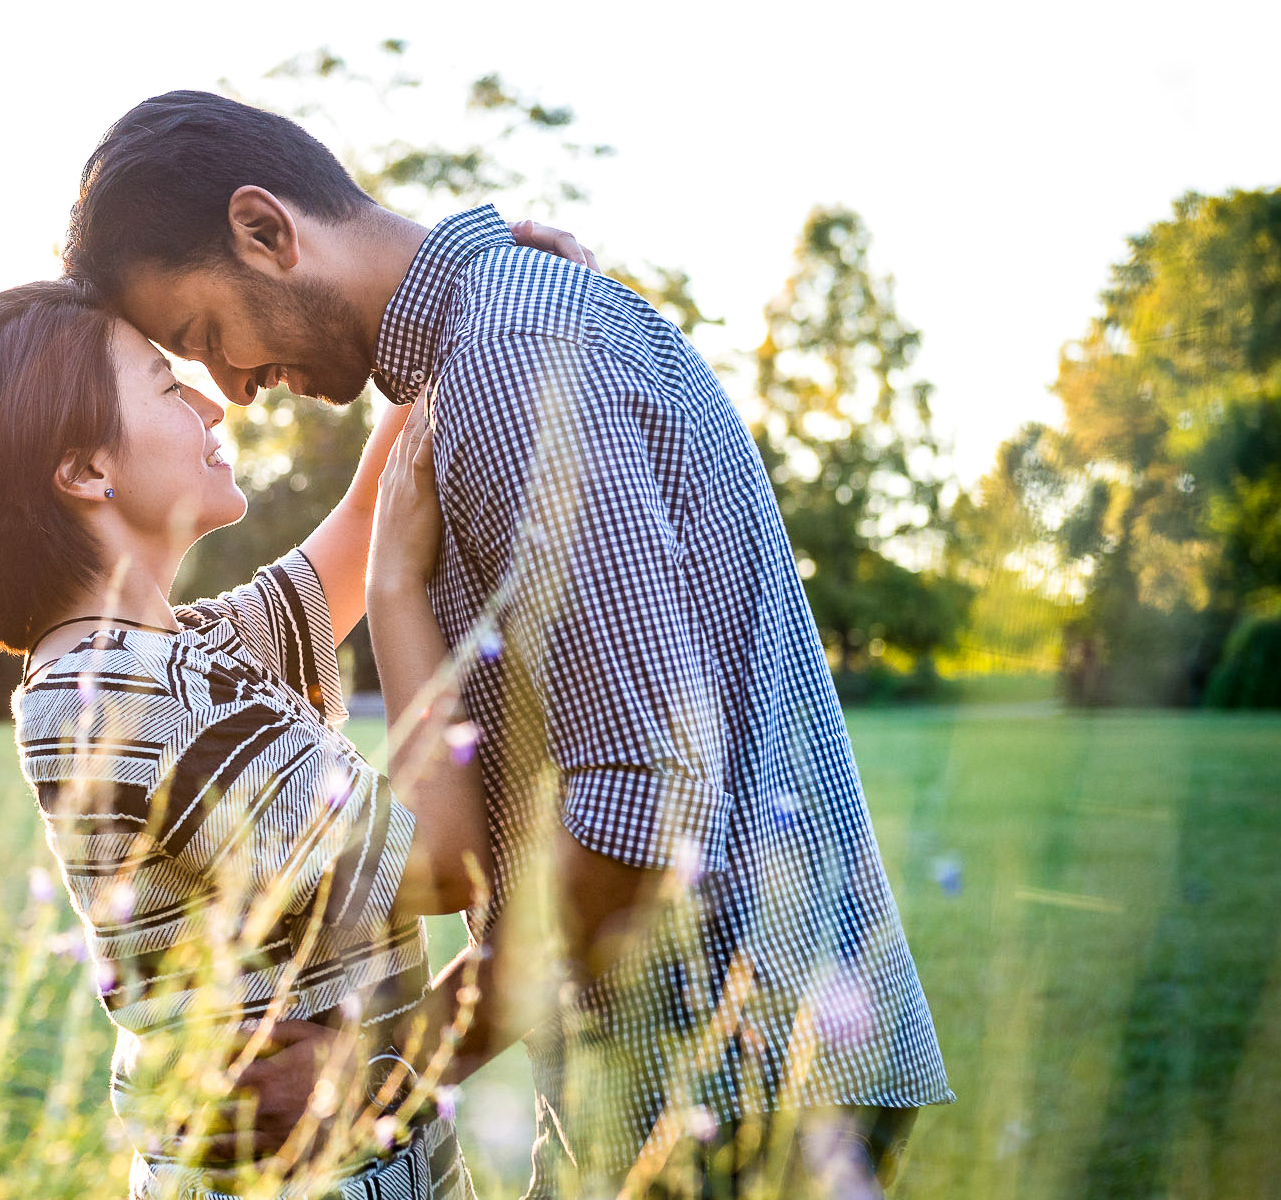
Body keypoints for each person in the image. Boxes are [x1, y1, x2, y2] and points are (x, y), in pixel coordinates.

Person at [58, 90, 954, 1197]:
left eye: (204, 338)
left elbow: (640, 804)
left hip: (726, 1076)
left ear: (264, 229)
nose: (231, 389)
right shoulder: (496, 341)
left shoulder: (507, 356)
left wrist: (379, 1071)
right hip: (704, 1066)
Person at [0, 256, 582, 1199]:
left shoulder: (175, 657)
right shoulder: (135, 700)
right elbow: (443, 861)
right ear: (87, 470)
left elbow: (365, 515)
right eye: (166, 387)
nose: (214, 408)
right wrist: (396, 590)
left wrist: (482, 304)